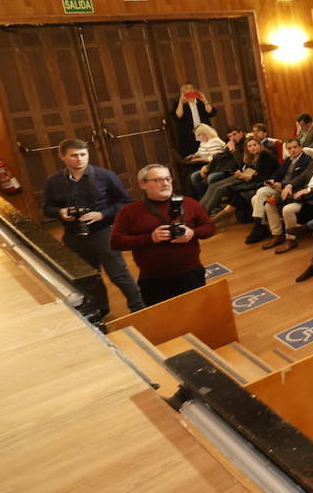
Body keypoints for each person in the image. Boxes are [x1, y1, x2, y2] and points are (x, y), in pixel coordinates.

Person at [42, 138, 145, 322]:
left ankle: (139, 308)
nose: (80, 159)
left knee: (119, 274)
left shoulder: (106, 176)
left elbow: (125, 203)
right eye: (74, 155)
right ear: (62, 157)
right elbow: (47, 208)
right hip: (73, 237)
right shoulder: (54, 181)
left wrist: (102, 214)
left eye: (83, 154)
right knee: (88, 279)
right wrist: (60, 212)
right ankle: (101, 312)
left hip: (103, 232)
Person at [110, 163, 215, 306]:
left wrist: (193, 233)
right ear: (143, 184)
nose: (165, 183)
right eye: (158, 180)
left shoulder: (189, 203)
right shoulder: (129, 212)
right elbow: (116, 242)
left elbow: (210, 227)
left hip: (191, 274)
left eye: (168, 179)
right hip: (154, 281)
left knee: (199, 313)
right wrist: (150, 238)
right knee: (165, 323)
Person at [172, 82, 217, 157]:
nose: (190, 90)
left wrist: (205, 101)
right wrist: (181, 102)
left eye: (191, 88)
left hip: (204, 133)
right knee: (192, 155)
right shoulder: (179, 104)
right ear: (183, 92)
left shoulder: (200, 102)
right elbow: (178, 116)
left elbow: (211, 112)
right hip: (188, 134)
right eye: (187, 89)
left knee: (208, 153)